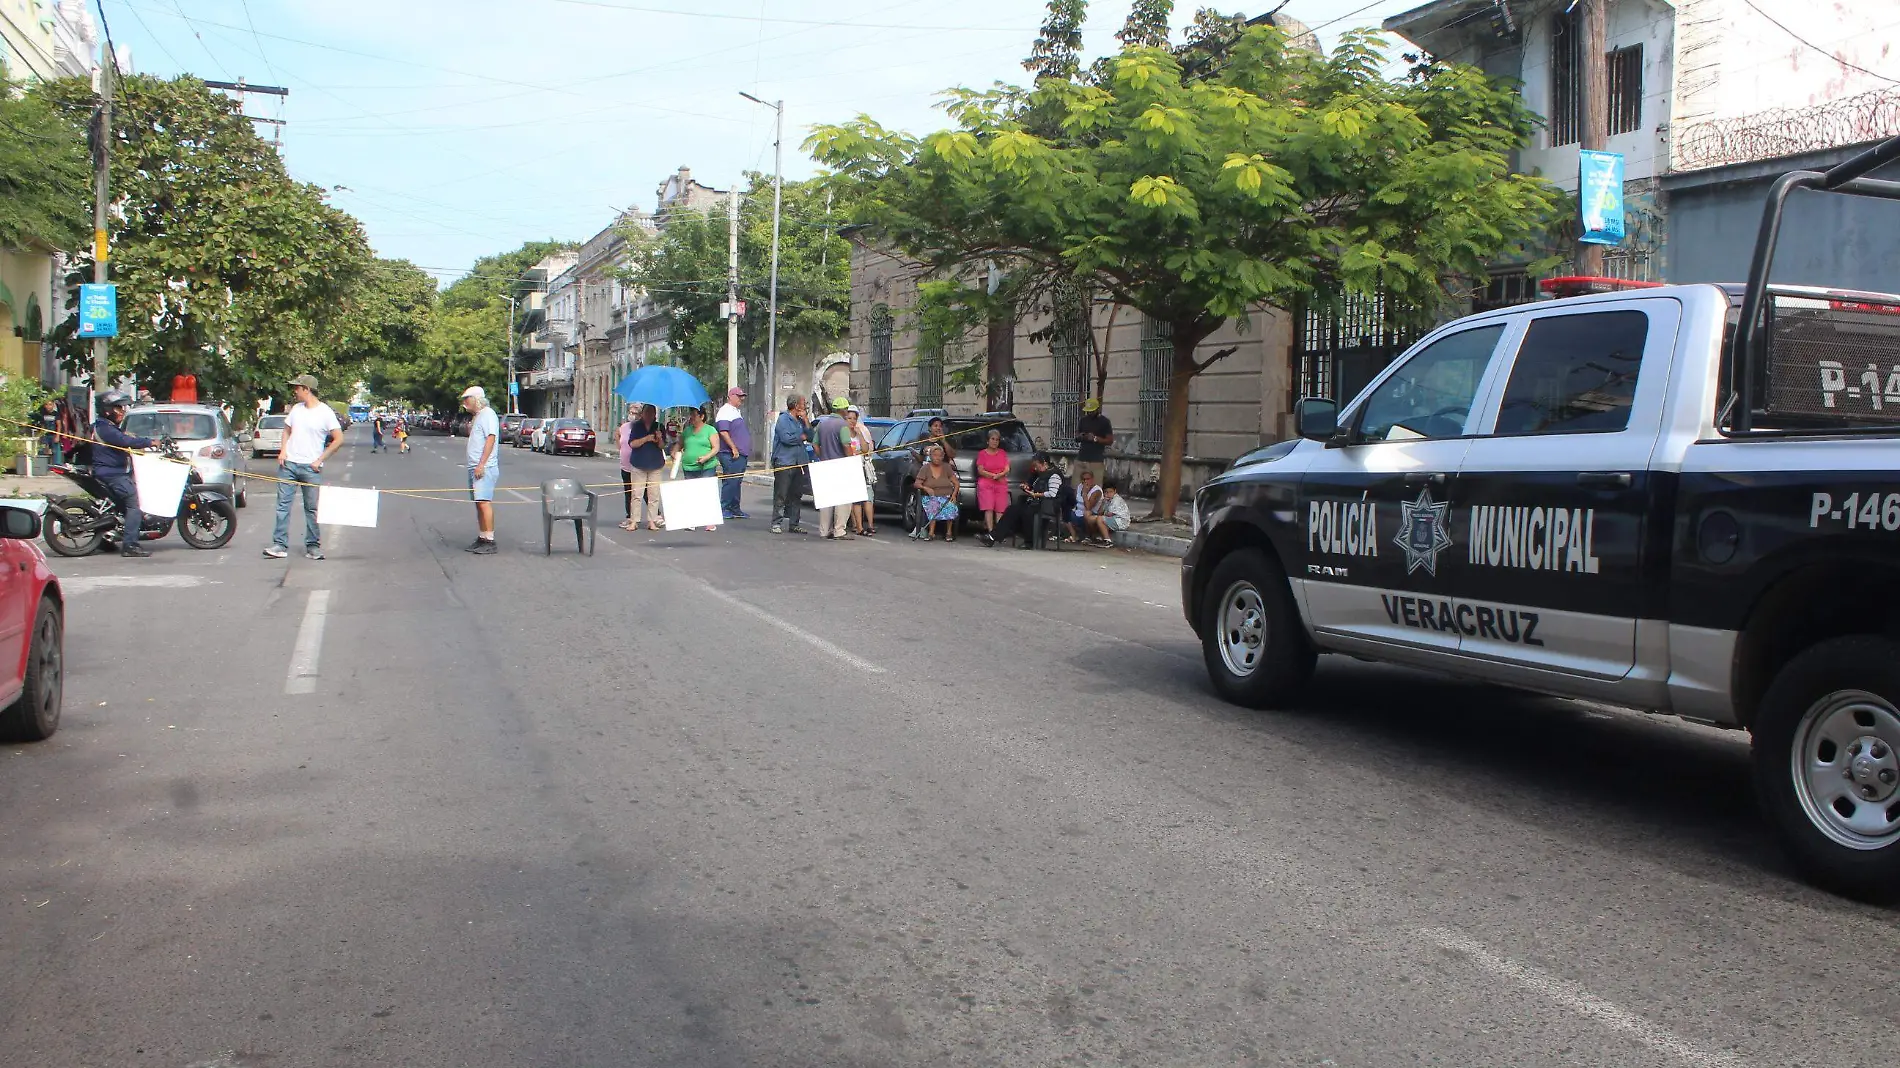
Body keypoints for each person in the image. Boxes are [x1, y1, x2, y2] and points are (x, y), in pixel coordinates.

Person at [264, 374, 343, 561]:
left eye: (297, 388)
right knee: (282, 506)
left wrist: (320, 459)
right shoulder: (296, 410)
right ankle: (279, 545)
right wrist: (283, 450)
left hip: (311, 468)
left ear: (306, 390)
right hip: (289, 465)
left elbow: (339, 439)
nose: (295, 391)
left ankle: (313, 546)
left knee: (312, 508)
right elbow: (286, 430)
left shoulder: (325, 412)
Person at [89, 391, 158, 558]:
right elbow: (126, 442)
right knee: (134, 504)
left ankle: (107, 539)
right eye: (118, 408)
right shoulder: (106, 428)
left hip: (114, 471)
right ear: (107, 410)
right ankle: (130, 545)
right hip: (112, 474)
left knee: (119, 507)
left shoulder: (106, 426)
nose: (122, 411)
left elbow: (125, 438)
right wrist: (150, 442)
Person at [981, 451, 1068, 548]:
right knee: (1012, 509)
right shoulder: (1039, 473)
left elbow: (1052, 493)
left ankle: (1029, 542)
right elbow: (1032, 483)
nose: (1035, 468)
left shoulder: (1054, 475)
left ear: (1044, 463)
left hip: (1048, 505)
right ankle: (993, 537)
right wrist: (1026, 486)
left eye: (1037, 465)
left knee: (1026, 512)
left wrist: (1036, 494)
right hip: (1036, 502)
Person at [462, 385, 501, 554]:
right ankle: (482, 536)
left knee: (484, 502)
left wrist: (481, 464)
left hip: (484, 467)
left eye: (467, 399)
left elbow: (490, 439)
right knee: (479, 502)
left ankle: (490, 540)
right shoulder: (479, 416)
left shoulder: (488, 414)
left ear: (476, 399)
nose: (464, 403)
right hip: (475, 466)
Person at [673, 405, 722, 532]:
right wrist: (674, 451)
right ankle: (692, 520)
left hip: (707, 465)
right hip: (689, 466)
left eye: (695, 415)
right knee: (691, 492)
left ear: (702, 416)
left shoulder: (710, 430)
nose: (692, 418)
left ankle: (709, 520)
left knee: (707, 492)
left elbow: (716, 448)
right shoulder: (687, 431)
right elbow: (680, 444)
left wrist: (706, 457)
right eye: (691, 415)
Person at [812, 396, 854, 540]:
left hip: (825, 464)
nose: (848, 412)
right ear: (843, 410)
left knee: (826, 501)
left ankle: (824, 530)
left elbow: (815, 444)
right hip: (840, 465)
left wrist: (822, 456)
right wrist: (851, 460)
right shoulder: (842, 425)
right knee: (843, 500)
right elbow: (846, 445)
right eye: (847, 409)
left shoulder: (822, 424)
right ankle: (839, 530)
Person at [770, 394, 810, 535]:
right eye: (803, 403)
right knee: (781, 494)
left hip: (799, 462)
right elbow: (786, 439)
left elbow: (810, 436)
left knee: (796, 494)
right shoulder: (783, 419)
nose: (805, 406)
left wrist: (806, 421)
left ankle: (794, 523)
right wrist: (801, 437)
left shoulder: (800, 421)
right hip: (785, 462)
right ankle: (776, 523)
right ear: (795, 405)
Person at [625, 403, 665, 530]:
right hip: (638, 463)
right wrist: (646, 438)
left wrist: (659, 439)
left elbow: (662, 446)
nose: (649, 415)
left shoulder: (659, 427)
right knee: (637, 494)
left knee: (654, 495)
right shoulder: (637, 426)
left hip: (655, 464)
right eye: (647, 413)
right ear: (642, 414)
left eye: (652, 413)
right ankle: (634, 521)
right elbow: (632, 444)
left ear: (655, 415)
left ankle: (652, 520)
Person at [713, 386, 750, 520]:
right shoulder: (725, 411)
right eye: (739, 396)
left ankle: (735, 508)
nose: (741, 399)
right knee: (730, 480)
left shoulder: (735, 411)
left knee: (737, 481)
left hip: (740, 454)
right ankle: (725, 508)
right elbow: (723, 431)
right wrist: (733, 447)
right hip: (730, 453)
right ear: (731, 396)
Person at [913, 443, 960, 542]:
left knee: (950, 506)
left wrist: (954, 495)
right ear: (930, 456)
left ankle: (948, 532)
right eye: (935, 455)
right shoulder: (925, 468)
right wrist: (926, 488)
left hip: (946, 496)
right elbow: (917, 484)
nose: (937, 458)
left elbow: (956, 483)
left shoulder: (947, 467)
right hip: (931, 496)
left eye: (940, 455)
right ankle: (931, 533)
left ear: (943, 457)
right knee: (933, 505)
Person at [846, 406, 878, 536]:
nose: (852, 421)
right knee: (855, 499)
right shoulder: (843, 433)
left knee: (865, 497)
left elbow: (865, 449)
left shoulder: (860, 431)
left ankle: (867, 525)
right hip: (850, 468)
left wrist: (859, 434)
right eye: (849, 418)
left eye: (854, 418)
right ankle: (857, 526)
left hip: (861, 467)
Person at [974, 428, 1010, 534]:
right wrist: (992, 475)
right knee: (988, 507)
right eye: (992, 439)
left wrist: (1000, 475)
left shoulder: (1002, 453)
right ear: (987, 440)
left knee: (1000, 509)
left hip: (1000, 482)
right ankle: (991, 531)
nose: (995, 441)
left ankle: (998, 532)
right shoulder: (982, 454)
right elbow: (980, 470)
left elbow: (1007, 468)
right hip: (986, 483)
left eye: (997, 440)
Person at [1074, 398, 1113, 484]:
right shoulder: (1083, 420)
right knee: (1077, 485)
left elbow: (1110, 441)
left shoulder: (1104, 422)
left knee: (1096, 486)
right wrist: (1081, 436)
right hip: (1081, 458)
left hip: (1096, 460)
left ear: (1097, 409)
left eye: (1091, 411)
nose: (1089, 413)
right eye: (1088, 411)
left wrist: (1095, 438)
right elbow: (1076, 437)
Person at [1085, 478, 1132, 546]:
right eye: (1106, 492)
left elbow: (1109, 514)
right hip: (1112, 519)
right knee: (1089, 517)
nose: (1108, 494)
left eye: (1110, 492)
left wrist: (1098, 517)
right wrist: (1103, 502)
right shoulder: (1106, 500)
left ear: (1115, 491)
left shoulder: (1116, 500)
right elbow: (1100, 512)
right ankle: (1092, 537)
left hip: (1120, 521)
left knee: (1099, 519)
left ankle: (1108, 541)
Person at [1069, 468, 1102, 544]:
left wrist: (1085, 493)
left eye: (1088, 479)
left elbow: (1088, 507)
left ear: (1092, 479)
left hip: (1090, 515)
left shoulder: (1096, 491)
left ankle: (1089, 536)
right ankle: (1073, 535)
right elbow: (1074, 501)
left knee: (1087, 513)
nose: (1085, 481)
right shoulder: (1079, 486)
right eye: (1083, 479)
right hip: (1077, 512)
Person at [36, 400, 61, 465]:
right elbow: (42, 425)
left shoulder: (56, 414)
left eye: (50, 404)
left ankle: (56, 465)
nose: (48, 406)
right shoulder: (42, 414)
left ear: (53, 405)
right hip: (45, 435)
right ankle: (41, 464)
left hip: (53, 435)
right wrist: (40, 435)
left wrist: (57, 436)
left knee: (55, 451)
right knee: (42, 449)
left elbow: (59, 425)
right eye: (46, 404)